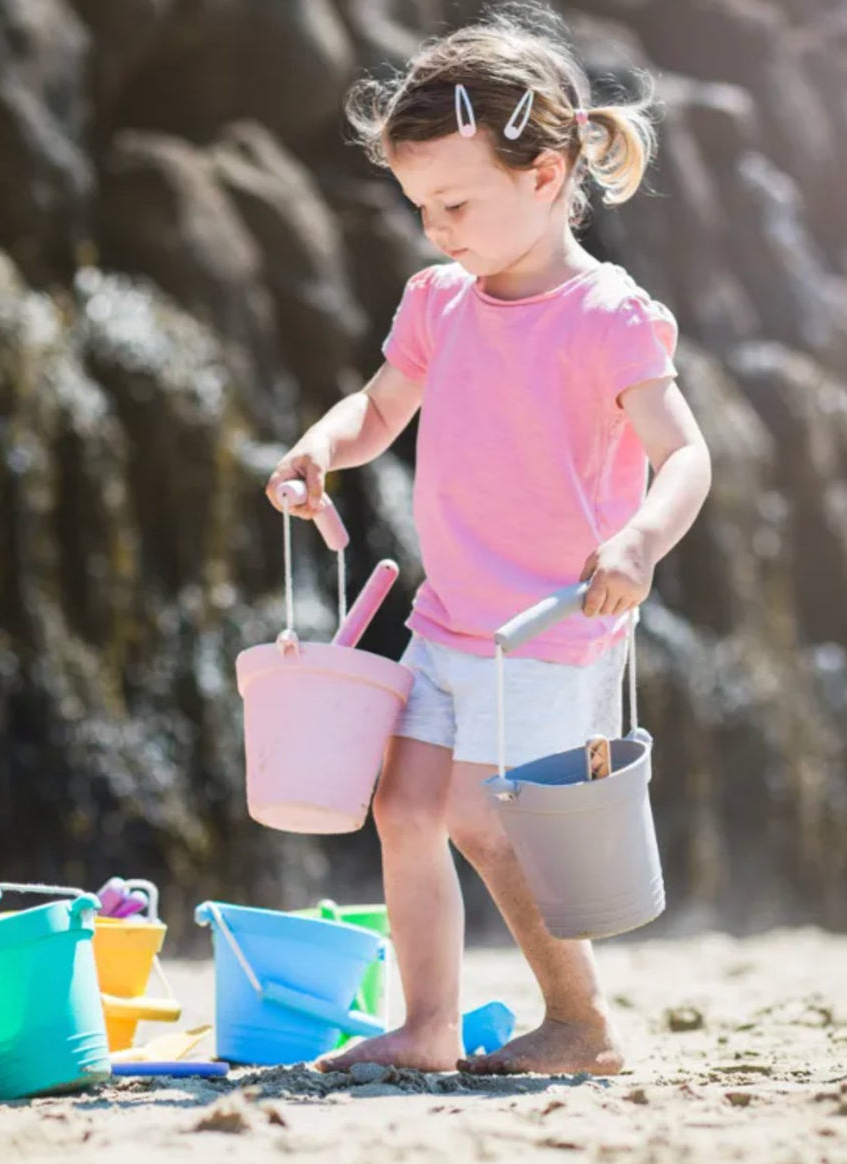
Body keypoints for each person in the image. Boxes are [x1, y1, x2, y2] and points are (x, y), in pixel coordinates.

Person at [265, 4, 712, 1076]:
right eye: (421, 205)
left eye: (455, 202)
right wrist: (315, 452)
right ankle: (424, 1027)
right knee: (405, 806)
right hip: (449, 616)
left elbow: (686, 455)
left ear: (547, 174)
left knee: (488, 817)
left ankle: (579, 1022)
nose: (436, 228)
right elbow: (374, 412)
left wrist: (637, 545)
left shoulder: (606, 315)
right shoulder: (438, 304)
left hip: (551, 626)